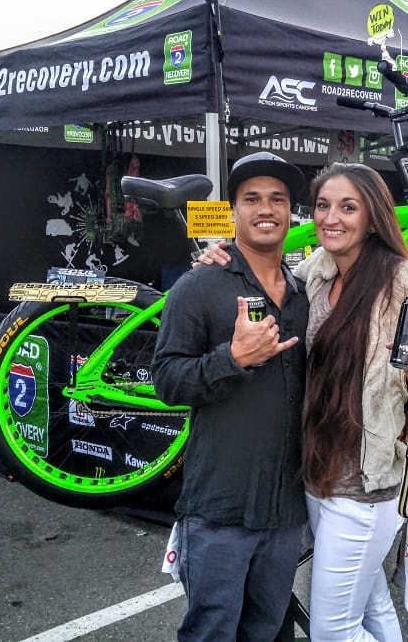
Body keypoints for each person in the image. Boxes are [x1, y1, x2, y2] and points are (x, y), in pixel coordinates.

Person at [198, 162, 408, 640]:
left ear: (373, 216)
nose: (331, 218)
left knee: (332, 630)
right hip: (315, 471)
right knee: (369, 602)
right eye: (323, 206)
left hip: (368, 480)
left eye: (348, 207)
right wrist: (221, 258)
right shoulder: (312, 273)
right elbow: (258, 281)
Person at [151, 152, 310, 641]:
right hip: (220, 508)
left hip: (286, 510)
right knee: (211, 632)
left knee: (265, 629)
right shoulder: (199, 286)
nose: (266, 209)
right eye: (252, 199)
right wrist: (233, 359)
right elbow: (166, 380)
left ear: (290, 213)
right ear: (234, 211)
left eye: (278, 199)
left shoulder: (306, 294)